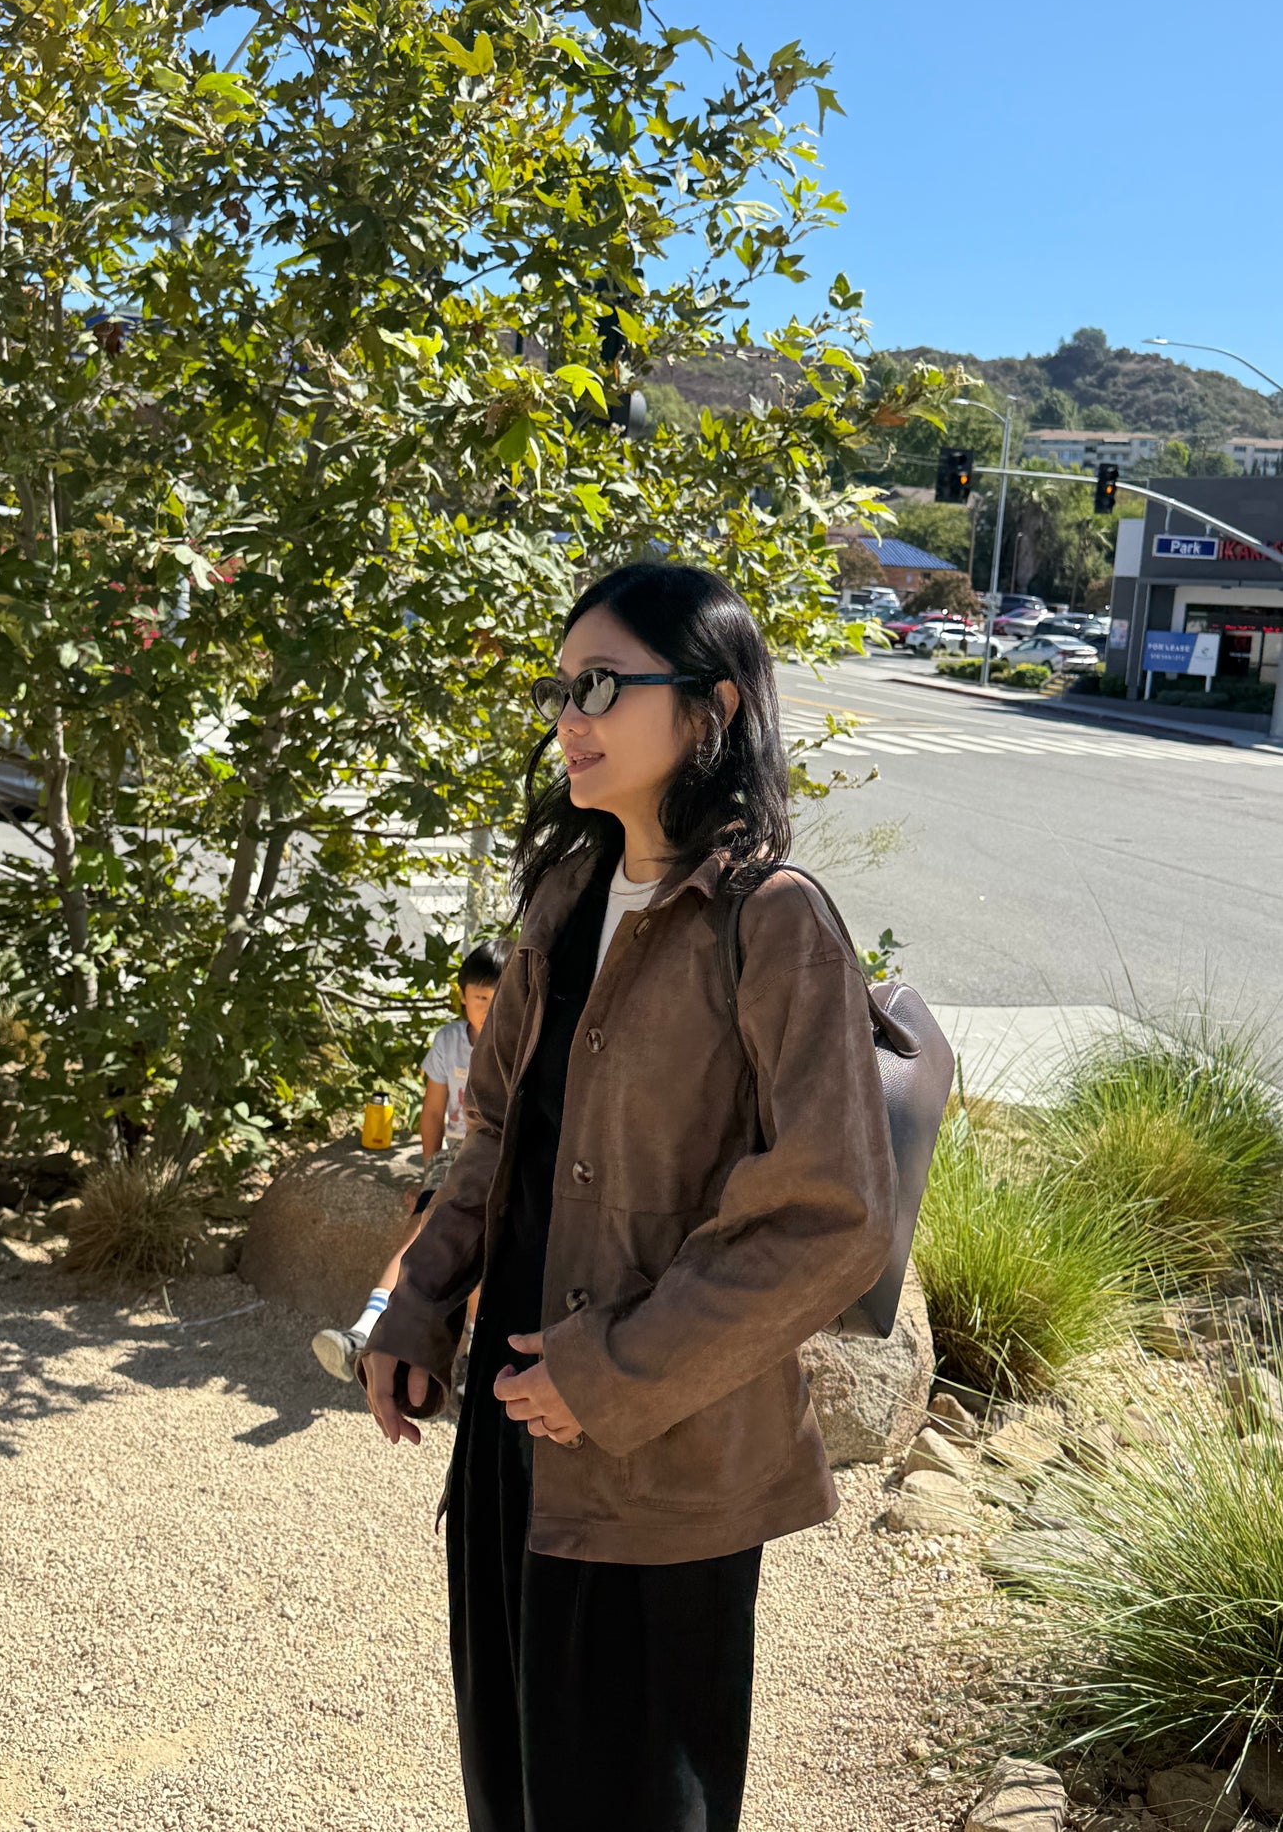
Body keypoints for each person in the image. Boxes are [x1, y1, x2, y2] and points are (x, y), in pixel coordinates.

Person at [359, 563, 897, 1832]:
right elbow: (494, 1129)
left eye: (601, 683)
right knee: (519, 1784)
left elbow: (833, 1212)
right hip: (512, 1422)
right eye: (560, 688)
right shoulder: (566, 893)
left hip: (661, 1456)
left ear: (706, 711)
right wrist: (418, 1303)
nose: (569, 716)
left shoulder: (772, 921)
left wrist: (609, 1371)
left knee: (638, 1801)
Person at [310, 937, 511, 1384]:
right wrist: (429, 1172)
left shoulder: (519, 1043)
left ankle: (473, 1353)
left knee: (481, 1238)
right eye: (480, 998)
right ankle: (363, 1331)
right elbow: (434, 1111)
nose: (490, 1008)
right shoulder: (449, 1041)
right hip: (455, 1154)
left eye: (500, 999)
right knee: (419, 1232)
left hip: (497, 1155)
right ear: (462, 996)